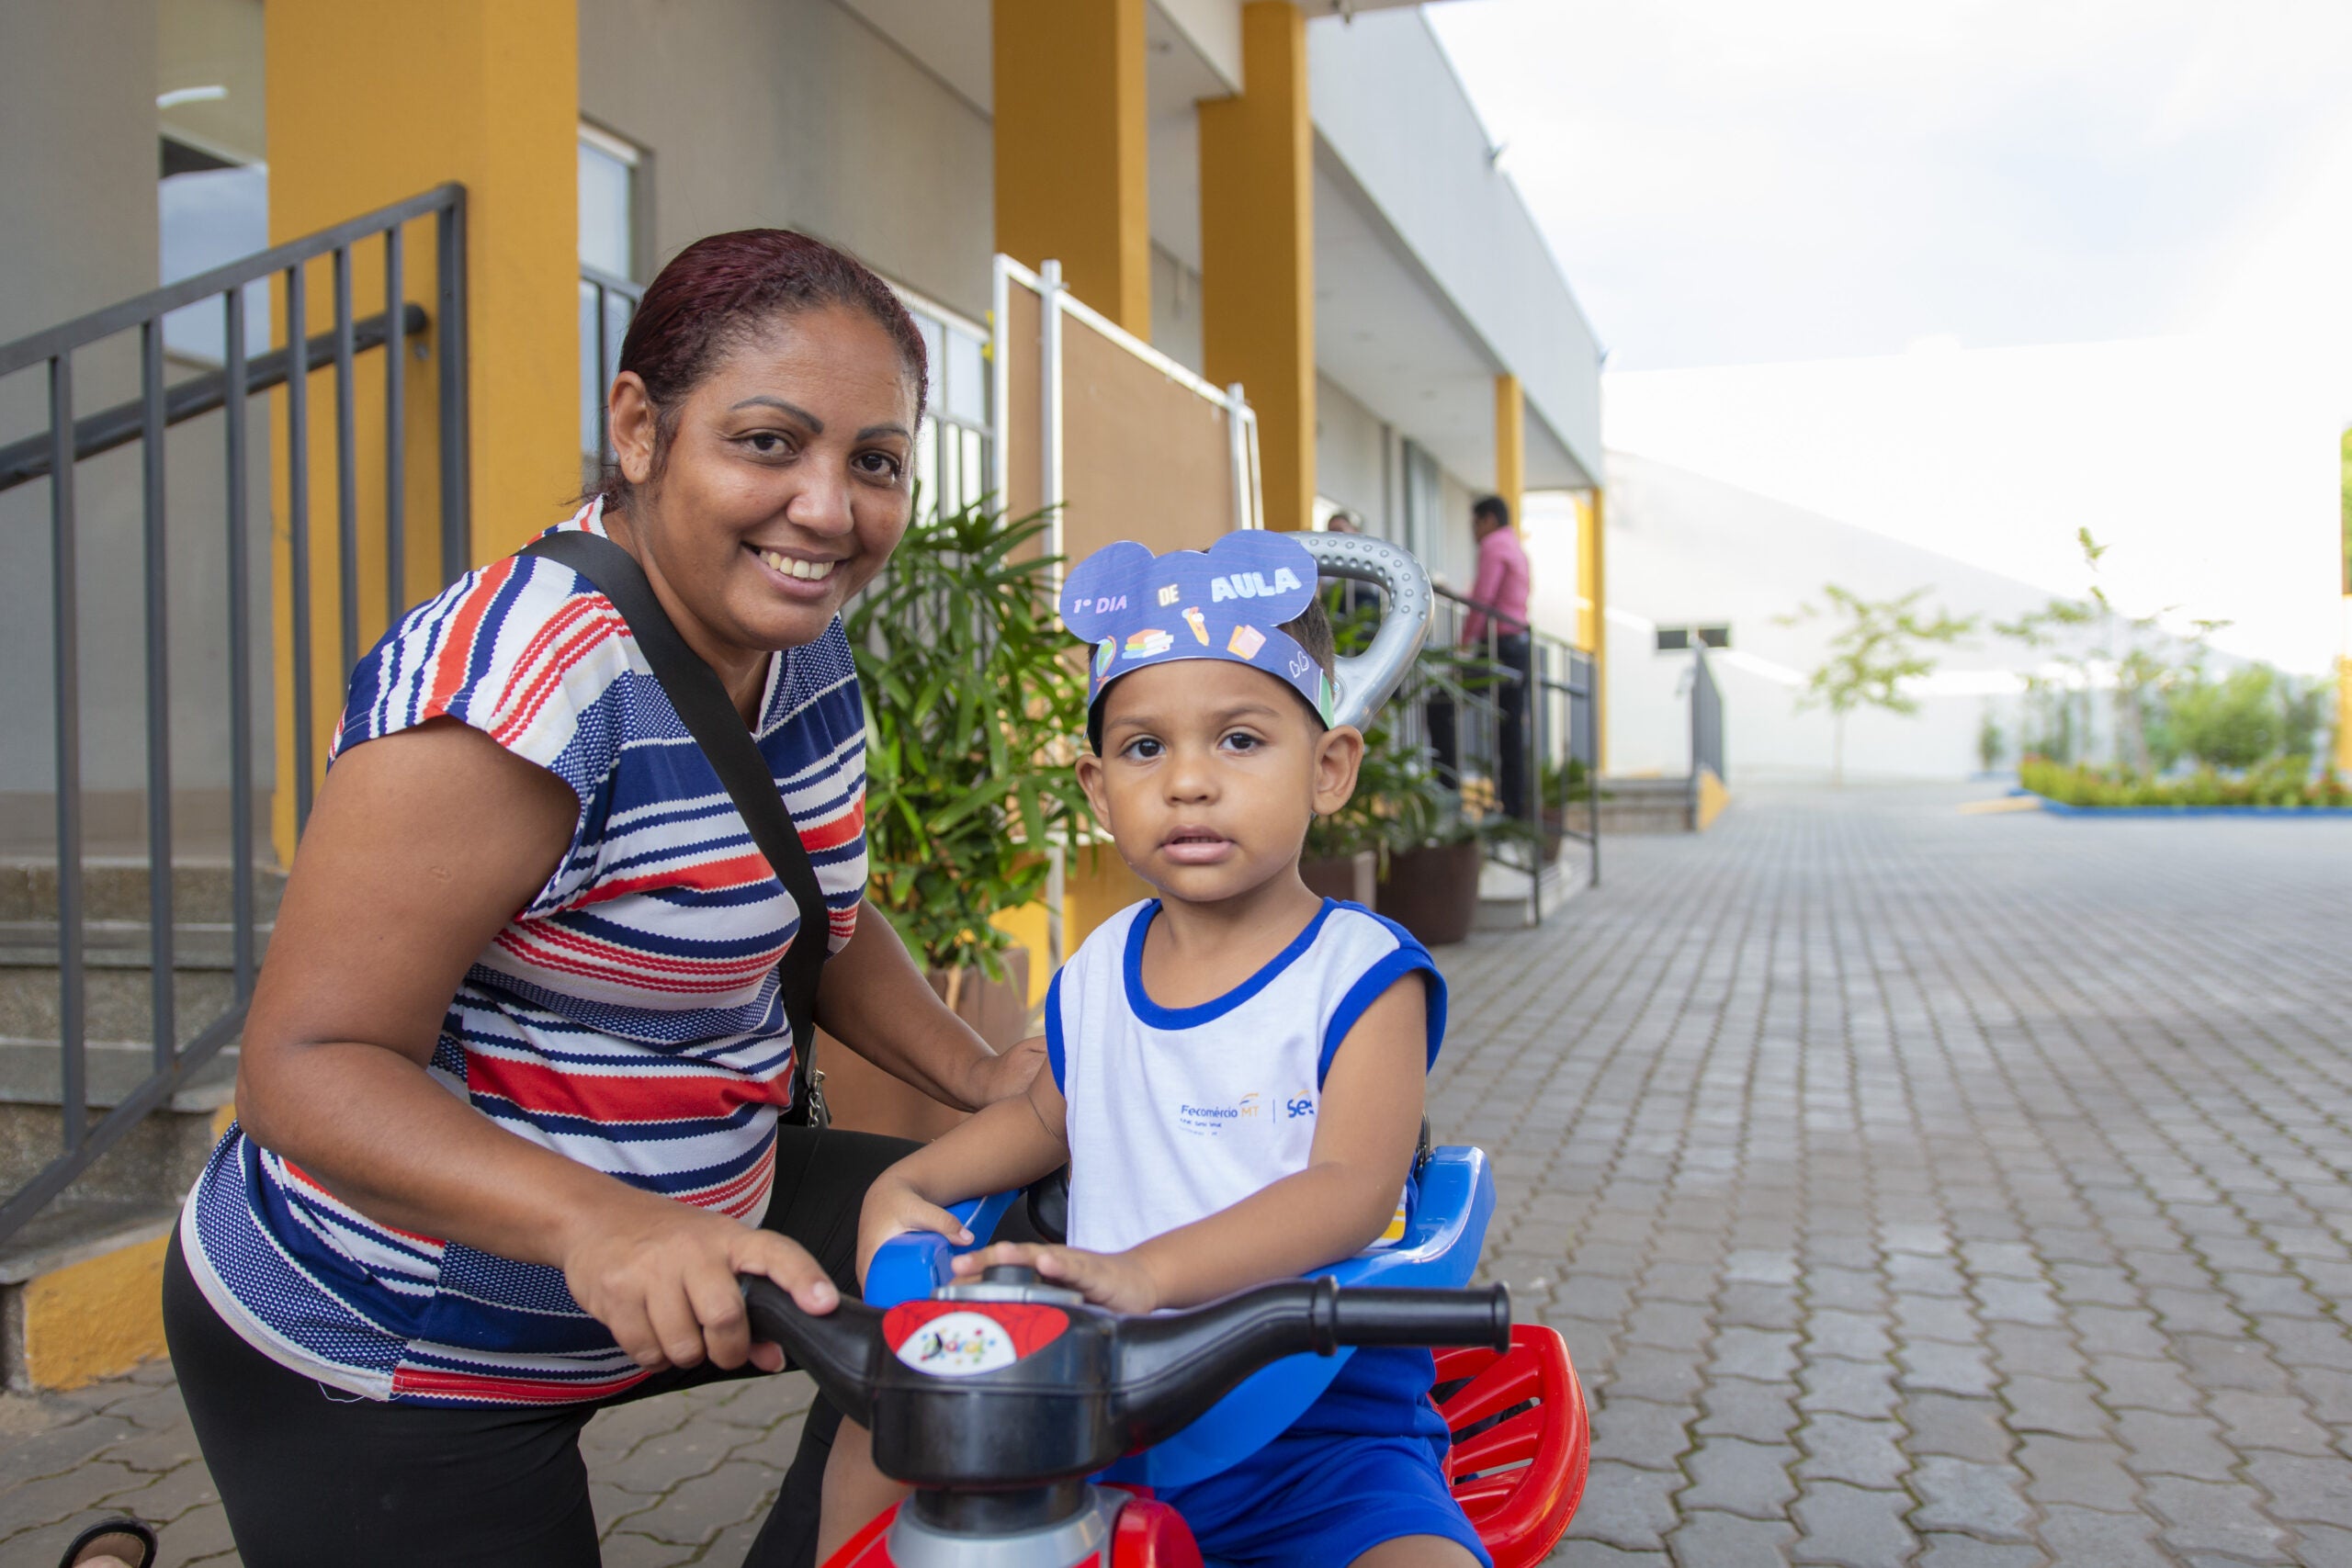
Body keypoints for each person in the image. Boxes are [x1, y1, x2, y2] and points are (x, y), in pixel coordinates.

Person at [161, 230, 1043, 1567]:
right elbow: (306, 1066)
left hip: (707, 1207)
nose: (827, 508)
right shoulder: (518, 689)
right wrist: (604, 1222)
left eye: (874, 461)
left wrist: (986, 1078)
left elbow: (810, 914)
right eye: (767, 442)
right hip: (399, 1328)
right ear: (640, 427)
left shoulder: (793, 632)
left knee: (1013, 1280)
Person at [846, 532, 1488, 1567]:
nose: (1188, 782)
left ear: (1327, 768)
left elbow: (1349, 1191)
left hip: (1318, 1429)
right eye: (1147, 750)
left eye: (1239, 741)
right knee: (880, 1458)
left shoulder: (1363, 974)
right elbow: (1048, 1117)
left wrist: (1143, 1274)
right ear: (1100, 794)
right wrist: (906, 1183)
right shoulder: (1099, 969)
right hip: (1100, 1417)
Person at [1429, 495, 1534, 818]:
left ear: (1487, 519)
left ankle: (1447, 793)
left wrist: (1464, 643)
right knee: (1510, 727)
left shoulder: (1492, 546)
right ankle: (1513, 808)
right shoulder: (1515, 546)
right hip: (1518, 641)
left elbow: (1484, 600)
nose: (1473, 532)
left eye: (1474, 524)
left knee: (1440, 704)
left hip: (1499, 645)